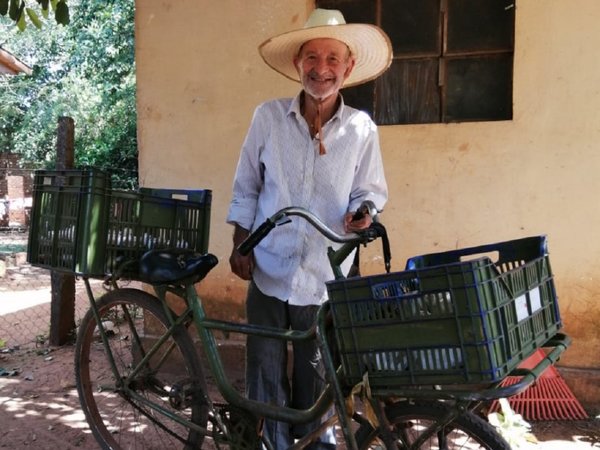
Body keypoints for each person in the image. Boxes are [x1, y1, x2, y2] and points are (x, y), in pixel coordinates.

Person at [227, 8, 392, 449]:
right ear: (298, 64)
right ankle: (270, 445)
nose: (322, 69)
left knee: (314, 378)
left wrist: (364, 212)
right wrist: (240, 242)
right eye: (312, 58)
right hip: (267, 267)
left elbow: (370, 191)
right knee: (264, 374)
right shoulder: (267, 117)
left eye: (333, 59)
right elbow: (246, 185)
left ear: (349, 67)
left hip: (323, 276)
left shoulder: (361, 129)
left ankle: (312, 446)